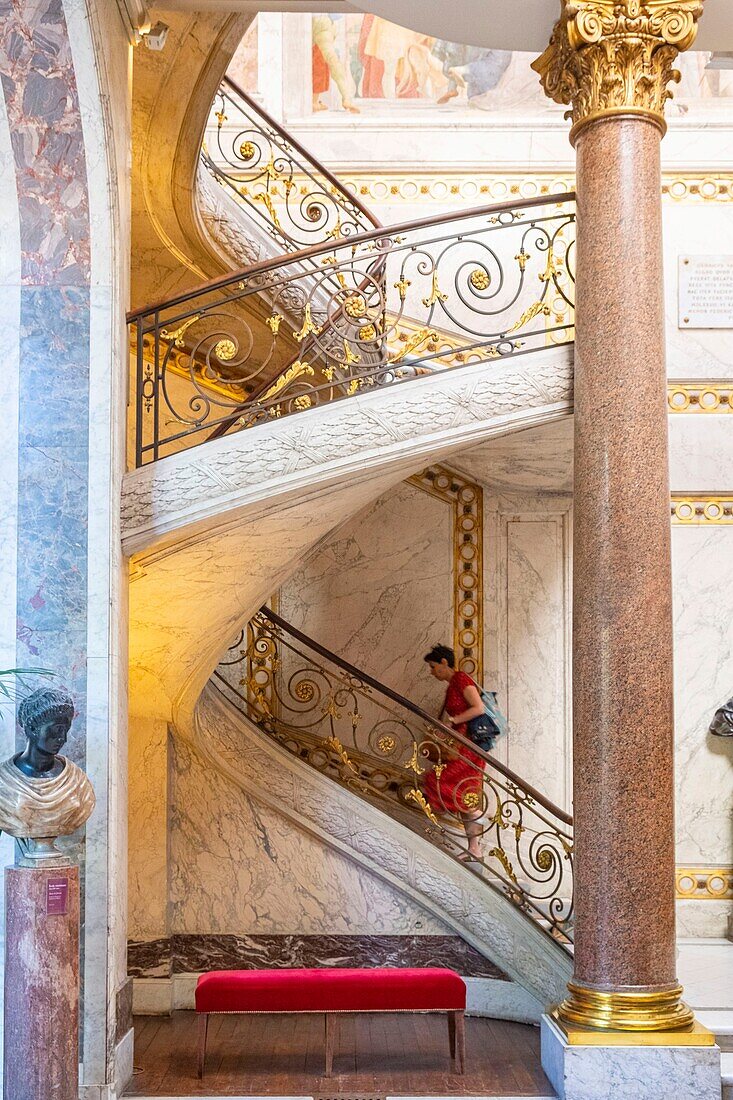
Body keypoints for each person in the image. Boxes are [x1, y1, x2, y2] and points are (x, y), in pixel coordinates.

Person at [422, 644, 486, 862]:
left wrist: (454, 721)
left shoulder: (460, 679)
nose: (431, 672)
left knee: (440, 780)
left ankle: (478, 817)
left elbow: (479, 708)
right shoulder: (452, 685)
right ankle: (474, 848)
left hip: (469, 744)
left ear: (443, 663)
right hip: (461, 742)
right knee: (464, 793)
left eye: (432, 667)